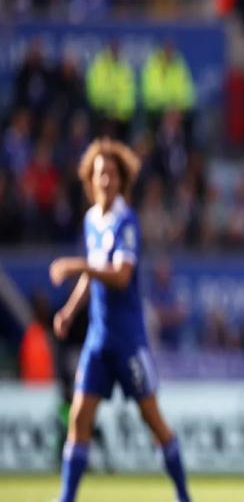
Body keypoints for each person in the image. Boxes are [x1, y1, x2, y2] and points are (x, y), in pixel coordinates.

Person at [49, 139, 190, 502]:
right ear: (90, 179)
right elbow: (92, 274)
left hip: (128, 341)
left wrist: (75, 265)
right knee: (79, 418)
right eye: (100, 174)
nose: (106, 180)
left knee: (155, 423)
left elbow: (119, 275)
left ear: (121, 179)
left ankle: (183, 495)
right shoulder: (91, 220)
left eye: (112, 174)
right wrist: (69, 310)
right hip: (98, 339)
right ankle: (66, 498)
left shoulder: (127, 220)